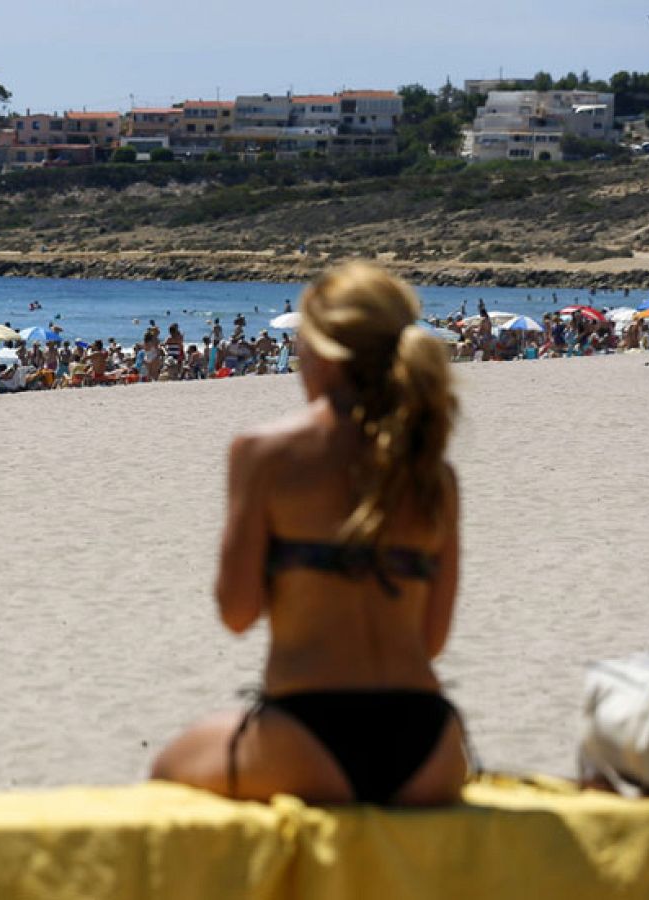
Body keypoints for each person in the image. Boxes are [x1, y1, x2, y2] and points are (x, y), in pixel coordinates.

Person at [151, 262, 467, 807]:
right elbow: (431, 641)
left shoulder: (265, 452)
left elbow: (237, 613)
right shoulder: (434, 473)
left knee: (167, 771)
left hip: (305, 735)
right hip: (428, 740)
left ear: (323, 352)